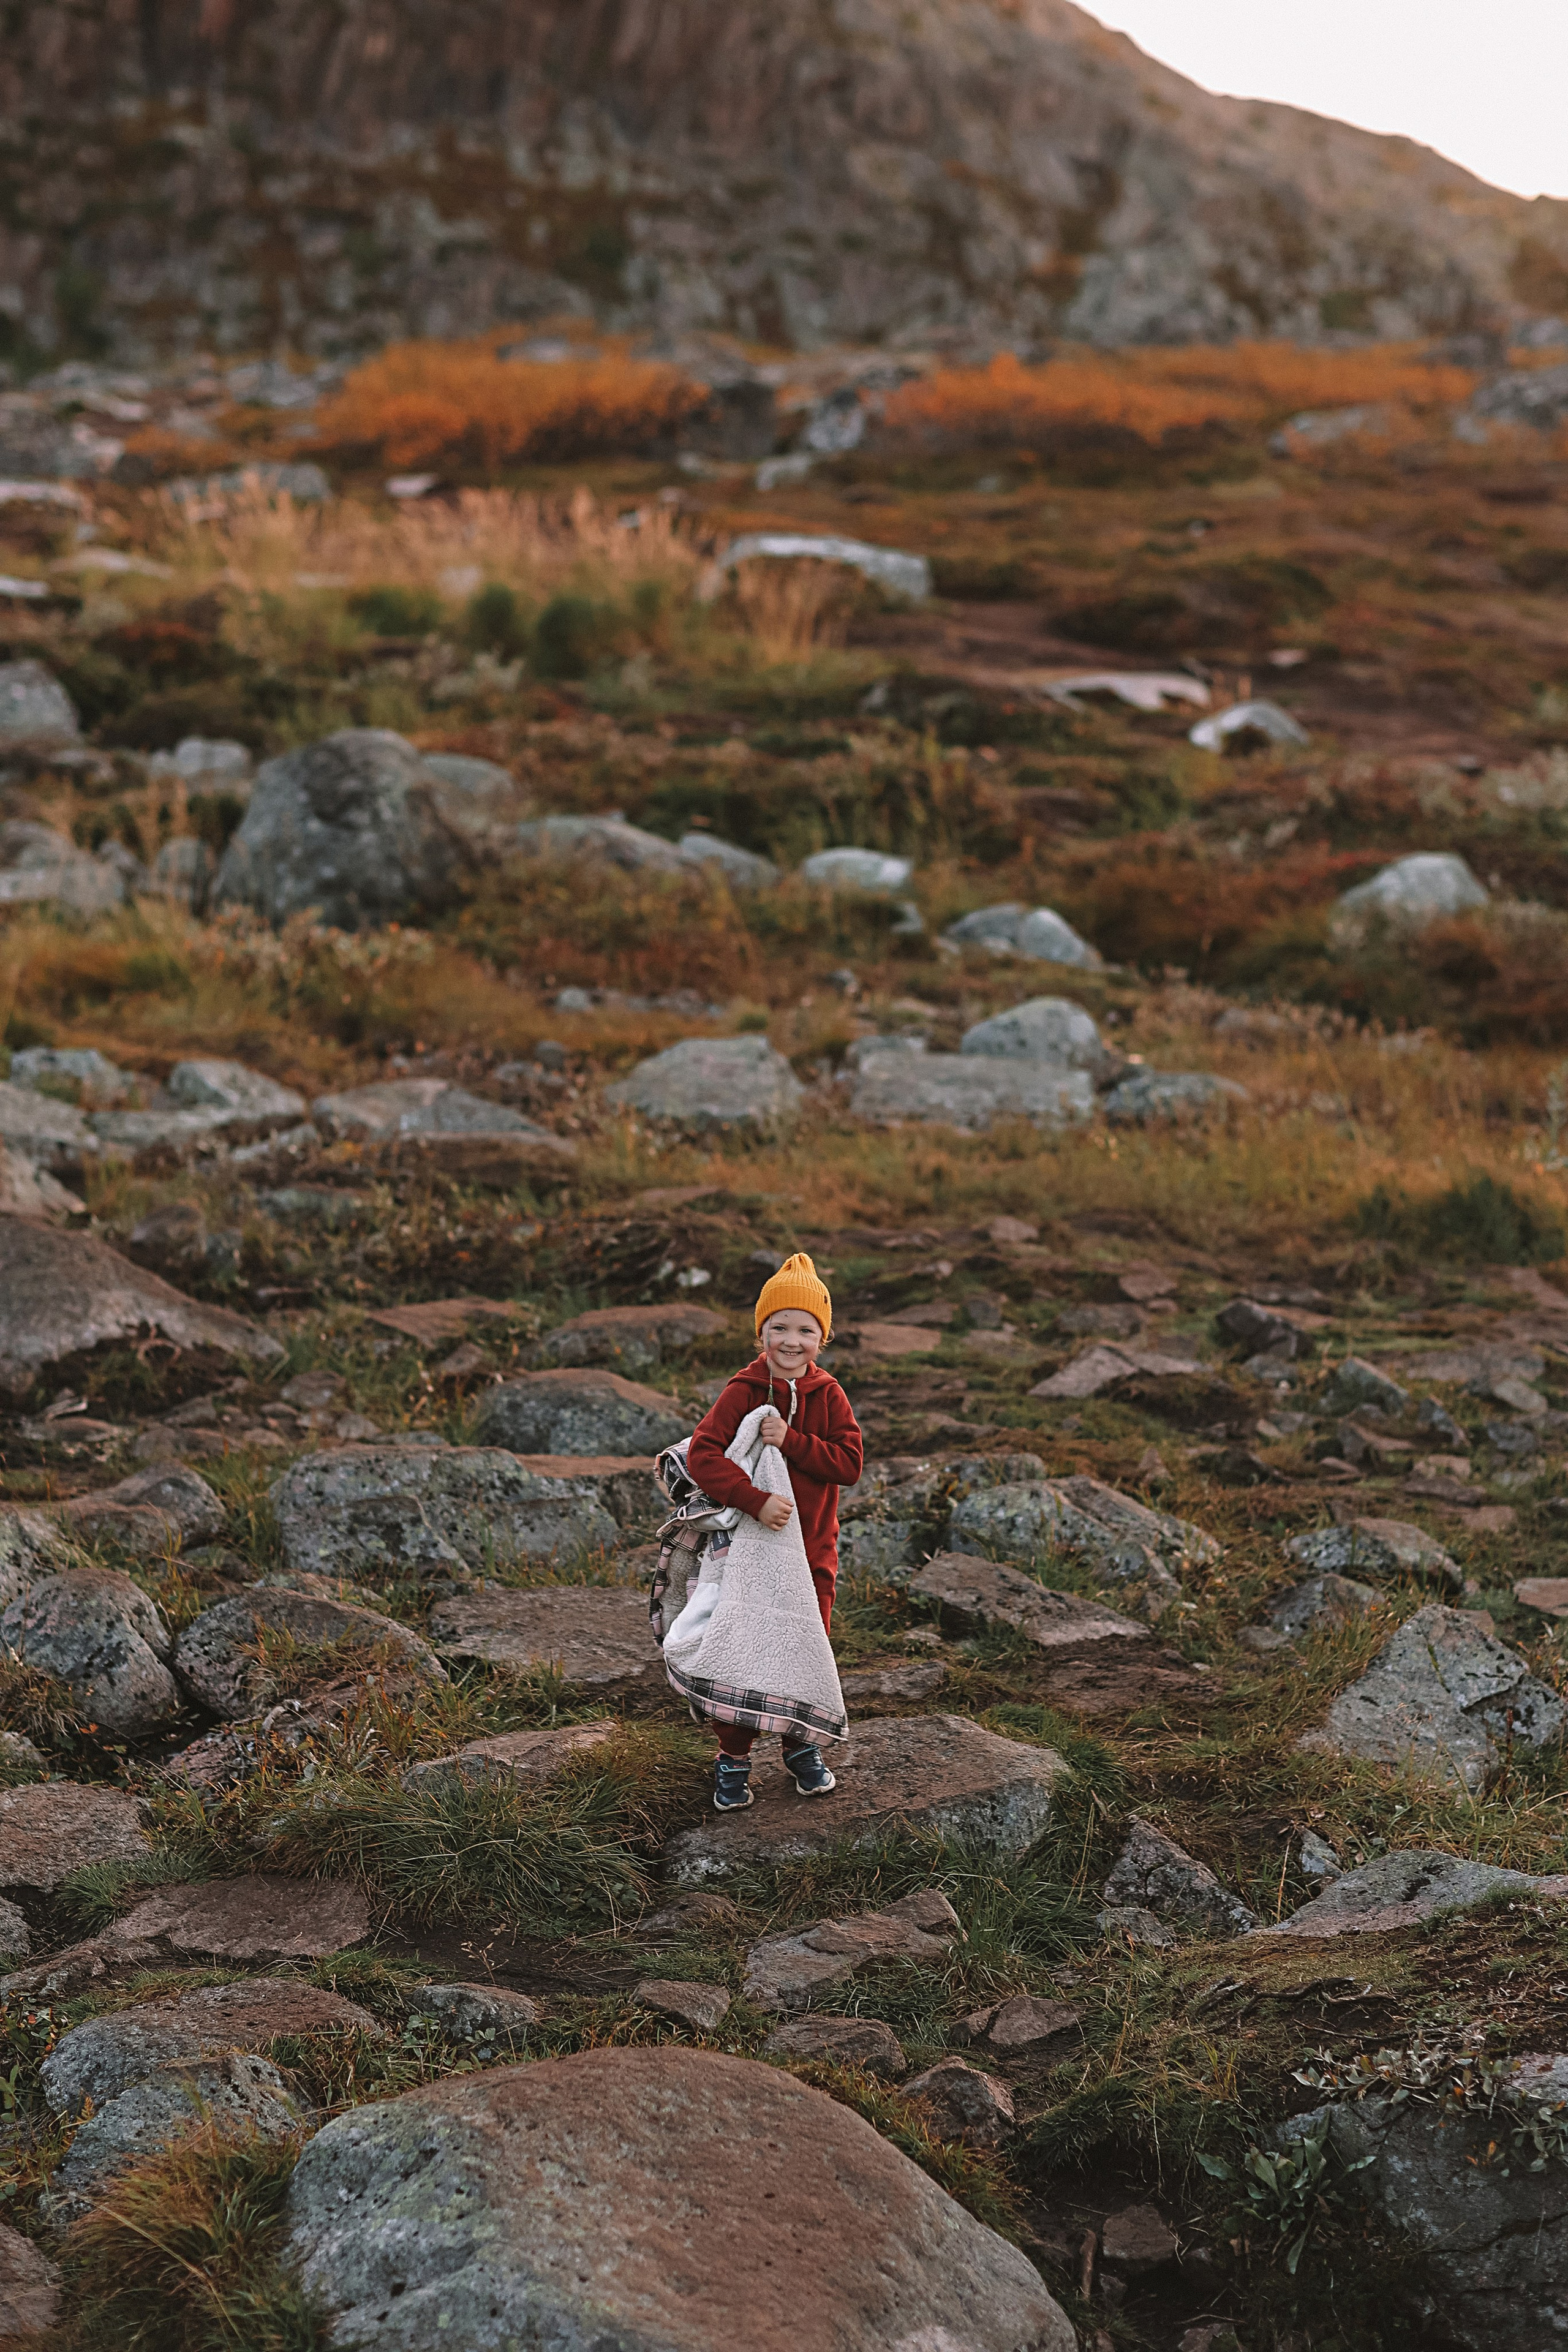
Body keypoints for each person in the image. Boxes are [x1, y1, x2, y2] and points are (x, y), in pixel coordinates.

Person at [684, 1251, 863, 1811]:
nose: (791, 1341)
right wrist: (755, 1500)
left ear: (822, 1338)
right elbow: (703, 1455)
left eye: (806, 1330)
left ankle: (800, 1745)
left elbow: (849, 1464)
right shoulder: (743, 1390)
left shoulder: (829, 1394)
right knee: (742, 1644)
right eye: (779, 1327)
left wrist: (792, 1442)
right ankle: (733, 1757)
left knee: (805, 1646)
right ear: (761, 1332)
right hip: (748, 1552)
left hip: (813, 1552)